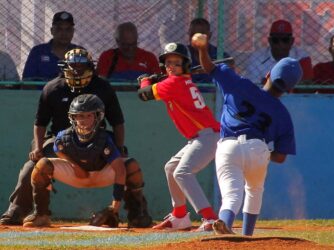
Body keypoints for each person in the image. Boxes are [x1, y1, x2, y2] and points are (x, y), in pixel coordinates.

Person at [0, 48, 152, 228]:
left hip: (96, 139)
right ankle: (23, 210)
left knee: (129, 166)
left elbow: (117, 122)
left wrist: (119, 146)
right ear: (64, 67)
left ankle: (137, 213)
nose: (77, 71)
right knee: (32, 166)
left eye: (82, 66)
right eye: (73, 66)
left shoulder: (102, 87)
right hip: (60, 139)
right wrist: (38, 148)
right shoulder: (53, 88)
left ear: (91, 67)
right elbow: (40, 122)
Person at [192, 33, 302, 235]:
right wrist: (260, 153)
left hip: (228, 146)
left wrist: (202, 49)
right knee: (254, 190)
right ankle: (247, 235)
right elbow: (280, 157)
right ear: (290, 88)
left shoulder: (239, 84)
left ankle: (224, 221)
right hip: (258, 148)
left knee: (231, 195)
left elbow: (208, 67)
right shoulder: (283, 115)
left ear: (268, 74)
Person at [137, 43, 220, 231]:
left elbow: (143, 95)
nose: (171, 66)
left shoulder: (174, 83)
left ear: (185, 65)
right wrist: (156, 80)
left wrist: (145, 80)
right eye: (168, 63)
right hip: (201, 137)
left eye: (176, 63)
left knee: (182, 173)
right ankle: (179, 216)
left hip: (208, 136)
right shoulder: (179, 82)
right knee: (171, 167)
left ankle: (211, 219)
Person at [22, 94, 126, 227]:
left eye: (89, 115)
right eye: (80, 116)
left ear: (97, 116)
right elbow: (58, 150)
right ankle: (41, 214)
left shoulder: (104, 138)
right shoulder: (64, 137)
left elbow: (120, 170)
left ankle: (136, 215)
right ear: (73, 117)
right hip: (76, 175)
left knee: (130, 166)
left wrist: (114, 207)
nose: (83, 120)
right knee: (42, 165)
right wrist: (74, 165)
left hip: (101, 174)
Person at [245, 19, 312, 86]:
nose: (280, 44)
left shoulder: (301, 56)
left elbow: (307, 87)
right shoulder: (257, 57)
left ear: (292, 41)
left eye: (285, 40)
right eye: (275, 40)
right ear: (270, 41)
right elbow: (252, 86)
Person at [22, 11, 82, 81]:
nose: (64, 33)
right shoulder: (38, 51)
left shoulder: (80, 53)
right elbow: (27, 81)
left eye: (68, 29)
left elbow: (90, 82)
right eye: (59, 29)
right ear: (52, 31)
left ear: (73, 32)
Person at [96, 22, 161, 82]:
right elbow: (101, 83)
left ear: (136, 39)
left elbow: (157, 83)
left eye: (133, 44)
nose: (130, 49)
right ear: (117, 41)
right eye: (125, 45)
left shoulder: (149, 58)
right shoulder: (107, 57)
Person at [187, 18, 231, 83]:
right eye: (192, 34)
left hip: (214, 92)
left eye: (201, 35)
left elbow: (228, 78)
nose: (196, 38)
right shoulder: (183, 55)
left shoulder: (221, 56)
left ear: (209, 35)